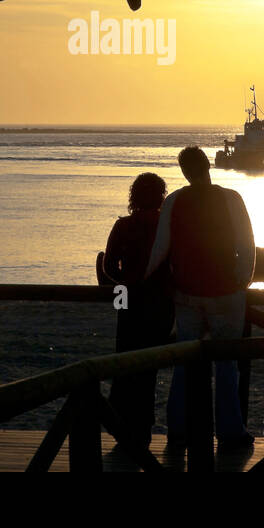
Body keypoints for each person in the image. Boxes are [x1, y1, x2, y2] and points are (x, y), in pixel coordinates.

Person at [144, 146, 255, 448]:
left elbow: (161, 248)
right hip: (226, 293)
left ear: (184, 171)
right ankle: (231, 433)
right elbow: (246, 244)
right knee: (226, 364)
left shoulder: (174, 201)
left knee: (184, 362)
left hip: (187, 293)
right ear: (208, 165)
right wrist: (242, 280)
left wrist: (142, 279)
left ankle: (177, 430)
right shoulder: (231, 198)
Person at [99, 172, 174, 448]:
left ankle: (123, 427)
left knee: (125, 365)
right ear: (161, 195)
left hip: (130, 303)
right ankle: (142, 430)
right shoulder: (166, 227)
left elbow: (108, 266)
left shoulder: (123, 226)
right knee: (148, 370)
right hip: (160, 306)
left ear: (134, 196)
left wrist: (125, 282)